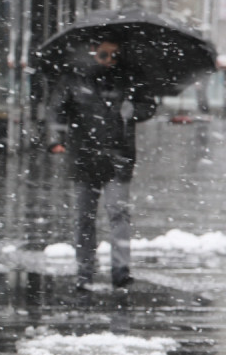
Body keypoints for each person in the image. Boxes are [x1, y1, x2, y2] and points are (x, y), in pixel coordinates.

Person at [46, 35, 157, 290]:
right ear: (92, 51)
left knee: (118, 213)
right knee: (84, 217)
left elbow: (148, 105)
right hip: (84, 155)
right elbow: (56, 109)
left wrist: (134, 109)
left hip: (119, 154)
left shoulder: (129, 77)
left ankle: (121, 271)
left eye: (115, 55)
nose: (110, 61)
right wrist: (56, 139)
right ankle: (84, 272)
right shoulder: (73, 78)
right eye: (105, 55)